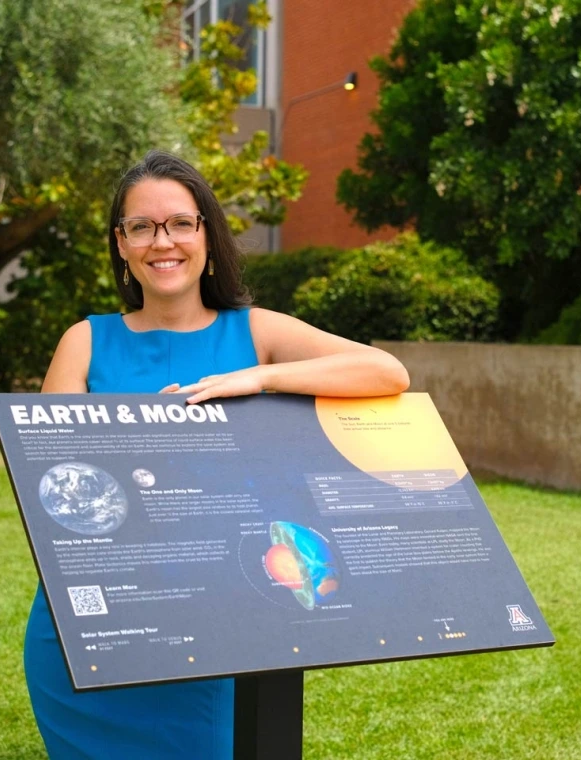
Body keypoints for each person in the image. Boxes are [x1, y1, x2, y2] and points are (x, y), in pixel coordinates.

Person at [25, 149, 410, 759]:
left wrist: (256, 379)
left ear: (207, 234)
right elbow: (52, 489)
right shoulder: (84, 341)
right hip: (93, 628)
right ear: (121, 244)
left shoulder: (253, 332)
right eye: (142, 227)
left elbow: (387, 372)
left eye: (180, 222)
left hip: (213, 629)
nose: (163, 242)